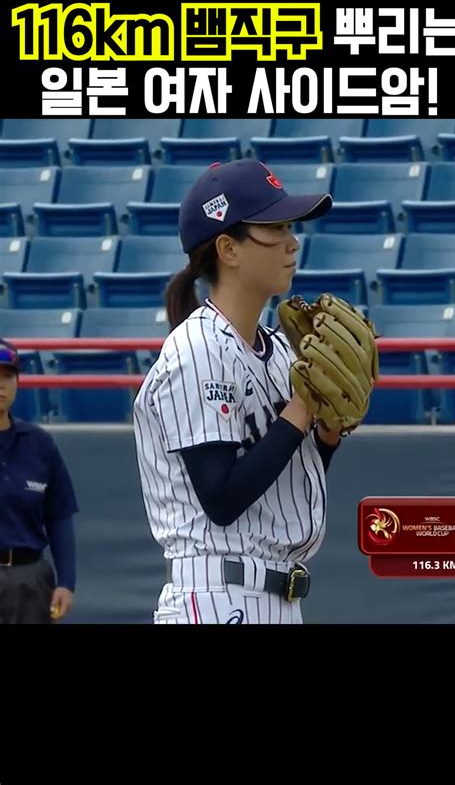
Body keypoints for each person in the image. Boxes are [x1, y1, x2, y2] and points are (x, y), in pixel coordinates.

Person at [133, 159, 341, 625]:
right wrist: (303, 406)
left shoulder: (282, 351)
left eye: (291, 226)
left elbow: (285, 482)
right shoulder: (196, 350)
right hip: (215, 596)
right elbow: (222, 497)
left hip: (277, 593)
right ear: (228, 248)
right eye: (275, 227)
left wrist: (327, 436)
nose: (292, 243)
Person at [0, 339, 78, 624]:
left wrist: (66, 582)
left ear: (18, 382)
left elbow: (59, 517)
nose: (1, 385)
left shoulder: (39, 444)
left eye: (8, 376)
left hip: (30, 581)